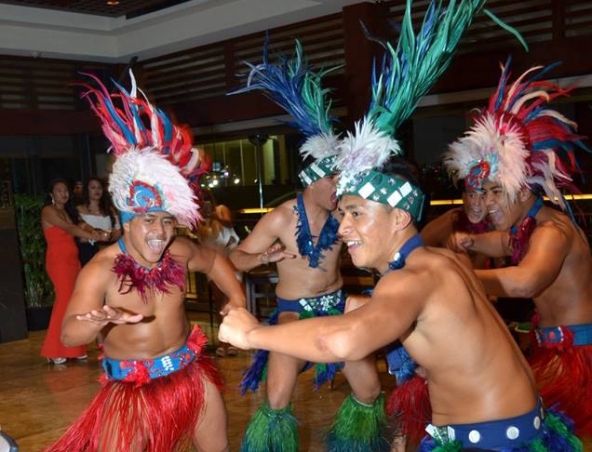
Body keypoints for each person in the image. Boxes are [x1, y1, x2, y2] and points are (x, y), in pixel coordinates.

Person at [221, 156, 582, 452]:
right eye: (343, 214)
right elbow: (443, 327)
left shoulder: (409, 279)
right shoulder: (442, 261)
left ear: (399, 218)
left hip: (489, 442)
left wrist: (251, 334)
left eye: (357, 213)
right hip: (519, 429)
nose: (343, 227)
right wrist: (364, 306)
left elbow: (342, 342)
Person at [43, 72, 245, 452]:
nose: (161, 231)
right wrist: (97, 322)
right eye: (149, 220)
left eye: (167, 220)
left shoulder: (179, 251)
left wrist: (236, 299)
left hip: (190, 374)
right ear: (127, 220)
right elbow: (70, 335)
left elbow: (216, 263)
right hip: (131, 391)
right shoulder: (100, 269)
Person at [229, 39, 387, 451]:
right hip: (292, 315)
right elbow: (236, 258)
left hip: (336, 306)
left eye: (341, 181)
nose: (339, 189)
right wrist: (262, 257)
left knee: (369, 390)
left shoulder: (343, 215)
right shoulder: (281, 218)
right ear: (311, 181)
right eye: (332, 181)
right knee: (278, 398)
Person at [445, 60, 592, 439]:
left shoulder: (552, 232)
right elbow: (504, 242)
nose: (487, 202)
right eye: (483, 192)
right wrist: (471, 240)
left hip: (578, 363)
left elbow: (526, 281)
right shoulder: (529, 228)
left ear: (524, 191)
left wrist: (457, 278)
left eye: (497, 192)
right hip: (553, 354)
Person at [40, 178, 103, 365]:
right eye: (59, 190)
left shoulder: (68, 212)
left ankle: (74, 348)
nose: (64, 193)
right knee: (64, 302)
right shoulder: (48, 211)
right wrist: (92, 235)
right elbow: (69, 228)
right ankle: (53, 349)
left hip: (72, 262)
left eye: (66, 190)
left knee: (74, 303)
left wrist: (97, 231)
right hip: (59, 262)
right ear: (52, 194)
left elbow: (81, 224)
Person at [197, 188, 242, 357]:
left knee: (231, 299)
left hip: (230, 260)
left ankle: (232, 341)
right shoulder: (198, 219)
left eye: (205, 199)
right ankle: (224, 340)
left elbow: (229, 223)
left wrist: (213, 216)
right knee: (220, 303)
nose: (203, 202)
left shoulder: (221, 209)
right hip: (212, 265)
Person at [76, 176, 122, 266]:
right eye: (93, 187)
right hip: (89, 252)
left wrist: (112, 235)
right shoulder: (79, 209)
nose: (97, 190)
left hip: (110, 250)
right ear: (87, 190)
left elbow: (118, 230)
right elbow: (79, 234)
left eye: (99, 188)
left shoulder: (110, 209)